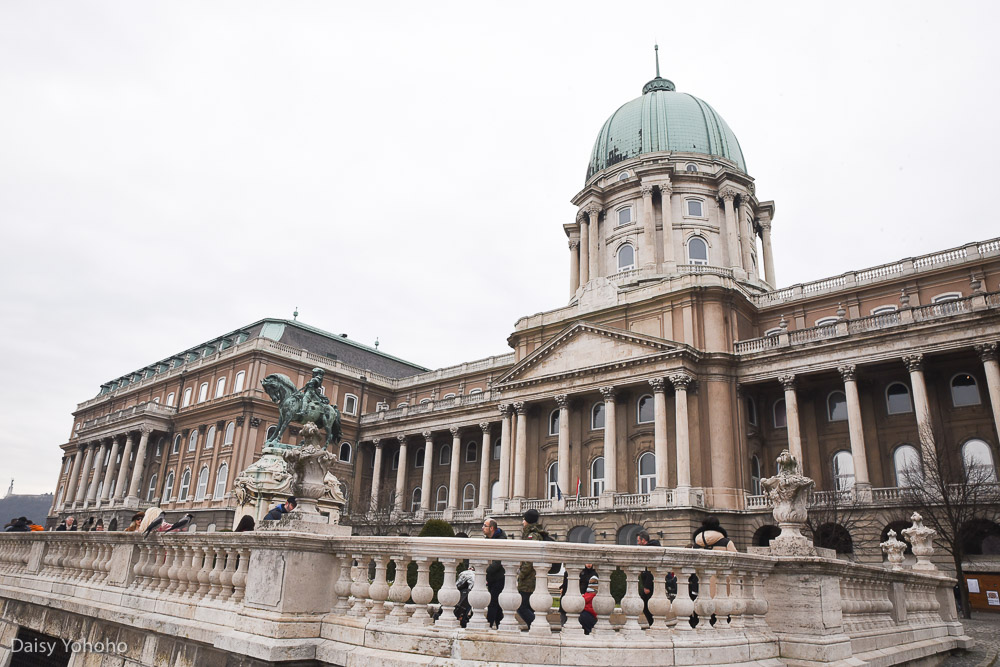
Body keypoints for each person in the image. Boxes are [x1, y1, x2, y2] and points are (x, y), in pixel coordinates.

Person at [516, 509, 552, 629]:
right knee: (530, 607)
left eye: (524, 519)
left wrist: (521, 575)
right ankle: (536, 628)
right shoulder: (536, 533)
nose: (522, 522)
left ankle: (537, 628)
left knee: (522, 607)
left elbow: (530, 559)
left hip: (529, 580)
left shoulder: (532, 535)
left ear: (528, 520)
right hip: (533, 578)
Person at [482, 517, 507, 628]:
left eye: (485, 526)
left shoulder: (501, 540)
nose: (482, 528)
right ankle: (500, 626)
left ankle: (488, 625)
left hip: (499, 577)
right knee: (496, 605)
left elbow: (498, 562)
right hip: (491, 577)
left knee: (493, 603)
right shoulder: (488, 539)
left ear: (491, 528)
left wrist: (483, 571)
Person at [636, 530, 661, 626]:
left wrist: (647, 586)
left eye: (638, 541)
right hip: (650, 583)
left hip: (651, 584)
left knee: (648, 606)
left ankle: (653, 624)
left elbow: (652, 569)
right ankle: (653, 623)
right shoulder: (650, 548)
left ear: (643, 540)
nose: (638, 543)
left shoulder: (651, 549)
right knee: (646, 605)